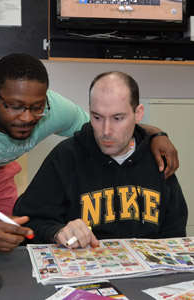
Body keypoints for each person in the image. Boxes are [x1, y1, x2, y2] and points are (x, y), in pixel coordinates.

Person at [0, 53, 179, 252]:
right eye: (15, 106)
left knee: (7, 247)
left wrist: (154, 133)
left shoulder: (54, 110)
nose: (27, 117)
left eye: (36, 107)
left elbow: (106, 124)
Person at [13, 71, 188, 249]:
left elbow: (174, 233)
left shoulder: (157, 158)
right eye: (97, 117)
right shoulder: (66, 157)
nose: (106, 130)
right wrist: (56, 232)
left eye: (117, 118)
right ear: (89, 112)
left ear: (138, 113)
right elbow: (28, 222)